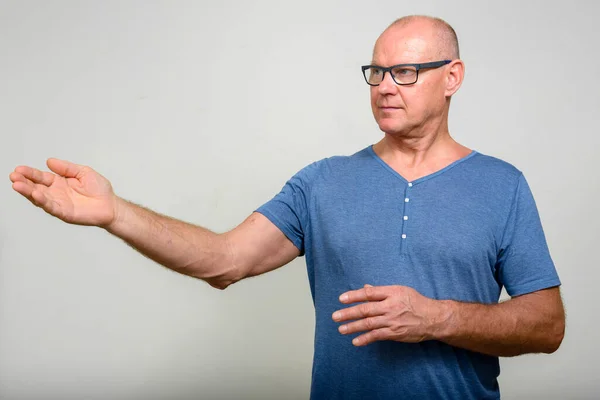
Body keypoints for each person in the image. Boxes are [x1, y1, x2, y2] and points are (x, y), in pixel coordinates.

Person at [9, 15, 564, 400]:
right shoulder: (322, 182)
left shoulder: (502, 185)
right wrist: (115, 213)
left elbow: (546, 327)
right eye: (376, 72)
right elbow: (224, 260)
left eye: (405, 72)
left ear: (453, 77)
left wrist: (436, 317)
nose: (385, 88)